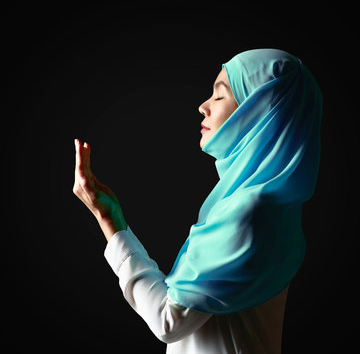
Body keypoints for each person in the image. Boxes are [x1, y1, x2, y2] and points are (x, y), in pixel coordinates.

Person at [73, 49, 322, 353]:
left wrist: (109, 220)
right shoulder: (276, 207)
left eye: (220, 96)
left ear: (259, 111)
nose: (203, 106)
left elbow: (168, 321)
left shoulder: (248, 212)